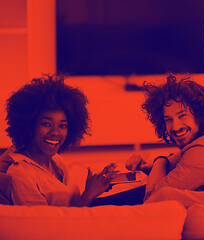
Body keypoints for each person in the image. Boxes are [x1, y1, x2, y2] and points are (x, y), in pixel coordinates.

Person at [3, 74, 118, 206]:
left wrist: (94, 188)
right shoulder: (21, 174)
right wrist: (89, 194)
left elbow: (70, 207)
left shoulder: (56, 161)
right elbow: (46, 225)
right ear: (29, 126)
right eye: (46, 124)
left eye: (62, 125)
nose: (55, 132)